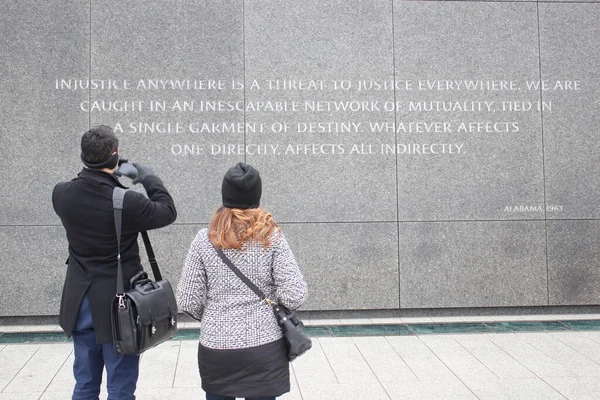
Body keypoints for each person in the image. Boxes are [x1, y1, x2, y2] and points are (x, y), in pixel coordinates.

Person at [52, 125, 177, 400]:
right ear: (115, 156)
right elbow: (167, 211)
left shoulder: (61, 194)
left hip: (81, 303)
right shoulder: (127, 201)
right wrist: (147, 177)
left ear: (84, 157)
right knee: (120, 388)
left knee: (84, 385)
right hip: (118, 307)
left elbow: (85, 188)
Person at [177, 162, 307, 400]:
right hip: (264, 347)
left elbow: (187, 300)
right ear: (257, 196)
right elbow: (295, 293)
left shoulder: (203, 240)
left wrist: (216, 316)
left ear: (225, 195)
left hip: (216, 346)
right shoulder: (272, 237)